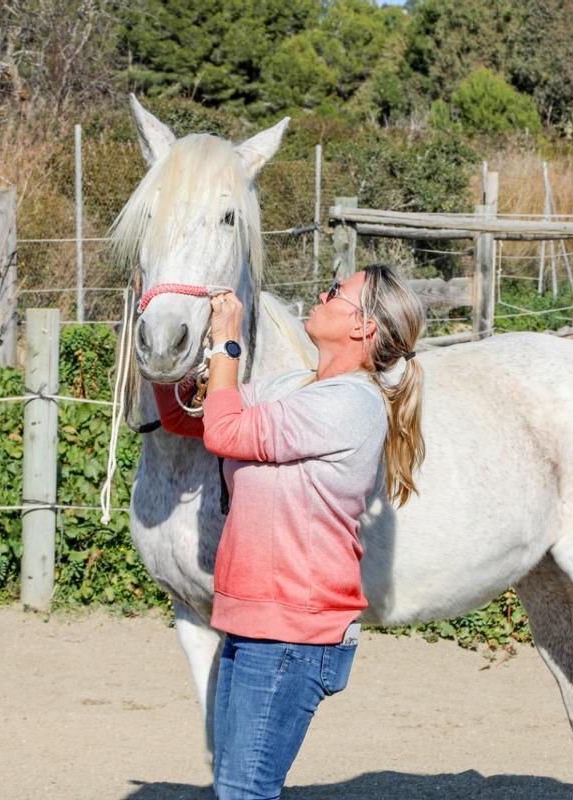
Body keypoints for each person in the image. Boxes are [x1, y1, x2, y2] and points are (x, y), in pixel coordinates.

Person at [152, 264, 426, 800]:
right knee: (235, 787)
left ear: (363, 328)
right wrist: (164, 350)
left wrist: (226, 346)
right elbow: (194, 418)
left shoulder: (348, 405)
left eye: (336, 293)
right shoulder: (297, 388)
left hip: (289, 634)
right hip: (256, 624)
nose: (320, 295)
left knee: (244, 791)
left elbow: (227, 431)